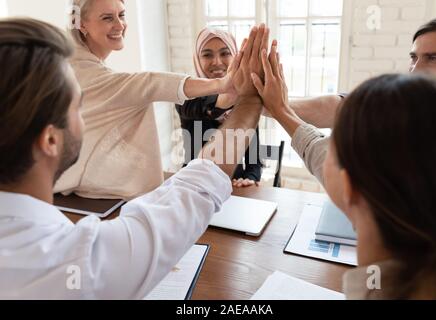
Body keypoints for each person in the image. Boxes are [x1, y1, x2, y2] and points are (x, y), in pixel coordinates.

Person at [0, 18, 269, 299]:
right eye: (79, 105)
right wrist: (250, 100)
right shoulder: (79, 264)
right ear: (51, 139)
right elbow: (198, 187)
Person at [254, 48, 436, 299]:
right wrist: (280, 109)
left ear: (350, 186)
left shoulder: (376, 288)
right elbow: (316, 149)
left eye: (333, 142)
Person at [55, 0, 240, 200]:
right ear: (81, 24)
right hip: (71, 195)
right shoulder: (81, 70)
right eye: (107, 18)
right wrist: (222, 84)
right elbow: (149, 83)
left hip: (74, 188)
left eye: (122, 15)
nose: (120, 25)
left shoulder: (76, 61)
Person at [260, 15, 436, 185]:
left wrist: (280, 110)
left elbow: (346, 182)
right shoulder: (409, 105)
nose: (415, 69)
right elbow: (341, 107)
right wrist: (269, 106)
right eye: (413, 57)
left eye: (433, 58)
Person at [176, 28, 263, 188]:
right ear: (197, 58)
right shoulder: (186, 97)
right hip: (192, 185)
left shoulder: (244, 99)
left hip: (231, 186)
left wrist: (250, 178)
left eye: (225, 53)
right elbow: (208, 106)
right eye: (207, 54)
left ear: (235, 56)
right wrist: (233, 95)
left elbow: (254, 159)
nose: (217, 62)